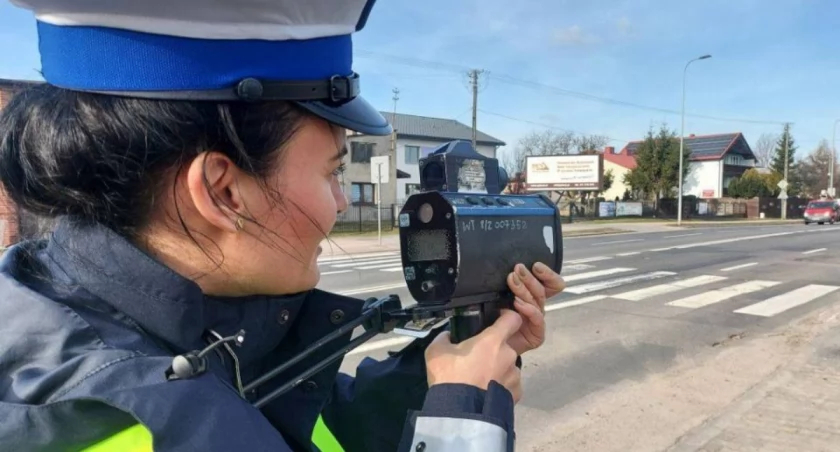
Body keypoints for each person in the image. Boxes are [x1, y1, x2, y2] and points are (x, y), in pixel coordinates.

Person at [0, 1, 566, 451]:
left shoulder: (155, 324)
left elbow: (295, 422)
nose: (341, 204)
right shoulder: (131, 424)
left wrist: (437, 378)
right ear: (223, 192)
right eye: (332, 172)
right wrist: (460, 426)